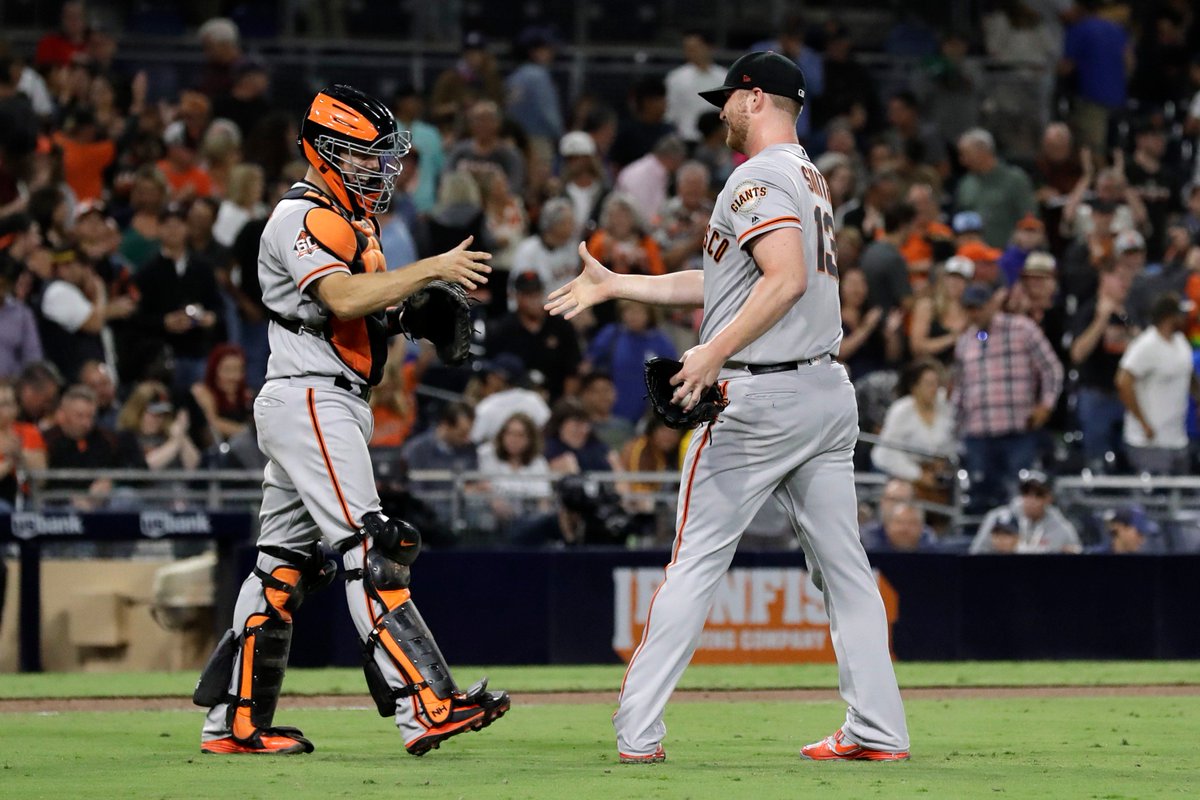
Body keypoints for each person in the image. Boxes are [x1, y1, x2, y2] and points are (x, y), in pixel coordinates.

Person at [546, 51, 909, 763]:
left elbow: (786, 279)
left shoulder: (756, 175)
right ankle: (877, 729)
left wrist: (712, 352)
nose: (721, 113)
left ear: (755, 98)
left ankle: (638, 731)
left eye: (728, 99)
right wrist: (619, 284)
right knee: (845, 571)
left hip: (761, 398)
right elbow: (730, 283)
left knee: (695, 561)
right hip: (823, 393)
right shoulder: (807, 176)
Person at [194, 85, 507, 758]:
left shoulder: (350, 220)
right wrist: (431, 269)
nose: (378, 168)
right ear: (325, 151)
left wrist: (407, 316)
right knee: (374, 547)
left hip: (321, 398)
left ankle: (235, 723)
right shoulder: (299, 216)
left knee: (281, 569)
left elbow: (358, 313)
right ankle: (426, 705)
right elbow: (338, 296)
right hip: (312, 398)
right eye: (365, 155)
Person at [954, 282, 1063, 514]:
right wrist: (955, 429)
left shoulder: (1022, 329)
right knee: (980, 498)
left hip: (1018, 431)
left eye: (979, 307)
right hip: (979, 434)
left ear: (992, 305)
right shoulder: (965, 341)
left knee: (1020, 495)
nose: (975, 313)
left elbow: (1052, 369)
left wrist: (1046, 404)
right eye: (970, 308)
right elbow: (961, 390)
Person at [1116, 292, 1198, 475]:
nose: (1186, 318)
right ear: (1169, 317)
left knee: (1180, 491)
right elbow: (1123, 382)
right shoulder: (1146, 345)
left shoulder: (1180, 341)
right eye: (1181, 314)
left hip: (1177, 438)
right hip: (1149, 442)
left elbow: (1188, 372)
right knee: (1156, 493)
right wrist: (1143, 423)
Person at [1069, 260, 1137, 472]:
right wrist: (1101, 320)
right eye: (1120, 278)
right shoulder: (1089, 310)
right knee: (1096, 460)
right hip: (1096, 396)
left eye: (1128, 279)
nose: (1125, 283)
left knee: (1128, 460)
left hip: (1126, 396)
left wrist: (1134, 331)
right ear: (1104, 278)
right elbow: (1077, 353)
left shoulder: (1130, 312)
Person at [871, 359, 956, 497]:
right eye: (929, 384)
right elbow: (886, 454)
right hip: (901, 474)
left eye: (937, 383)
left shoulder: (945, 408)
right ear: (914, 387)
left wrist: (943, 461)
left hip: (936, 475)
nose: (934, 389)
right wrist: (917, 475)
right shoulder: (901, 411)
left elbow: (952, 442)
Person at [954, 128, 1036, 249]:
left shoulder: (1015, 180)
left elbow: (1030, 218)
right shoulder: (965, 184)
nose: (962, 161)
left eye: (966, 154)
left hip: (1008, 253)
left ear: (982, 151)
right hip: (974, 255)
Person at [969, 470, 1081, 554]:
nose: (1031, 499)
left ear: (1049, 498)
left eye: (1039, 494)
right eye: (1026, 492)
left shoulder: (1062, 529)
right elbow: (976, 554)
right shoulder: (998, 519)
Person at [476, 411, 554, 530]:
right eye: (509, 433)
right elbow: (482, 486)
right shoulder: (487, 455)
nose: (513, 439)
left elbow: (543, 500)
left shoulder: (538, 462)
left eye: (520, 435)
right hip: (492, 523)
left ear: (530, 439)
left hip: (529, 524)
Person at [116, 381, 201, 471]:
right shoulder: (126, 438)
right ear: (138, 412)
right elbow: (144, 468)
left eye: (162, 414)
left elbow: (194, 465)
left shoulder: (170, 434)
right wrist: (175, 443)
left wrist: (182, 436)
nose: (159, 419)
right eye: (154, 414)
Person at [909, 255, 971, 366]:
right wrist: (952, 339)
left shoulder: (972, 310)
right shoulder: (927, 306)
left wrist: (977, 336)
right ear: (943, 279)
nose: (955, 283)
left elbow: (984, 336)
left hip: (963, 366)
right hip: (931, 367)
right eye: (951, 277)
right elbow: (917, 347)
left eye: (961, 279)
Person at [0, 379, 46, 509]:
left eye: (7, 404)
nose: (3, 409)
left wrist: (20, 455)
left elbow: (41, 479)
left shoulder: (30, 432)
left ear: (16, 407)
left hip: (26, 496)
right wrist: (9, 463)